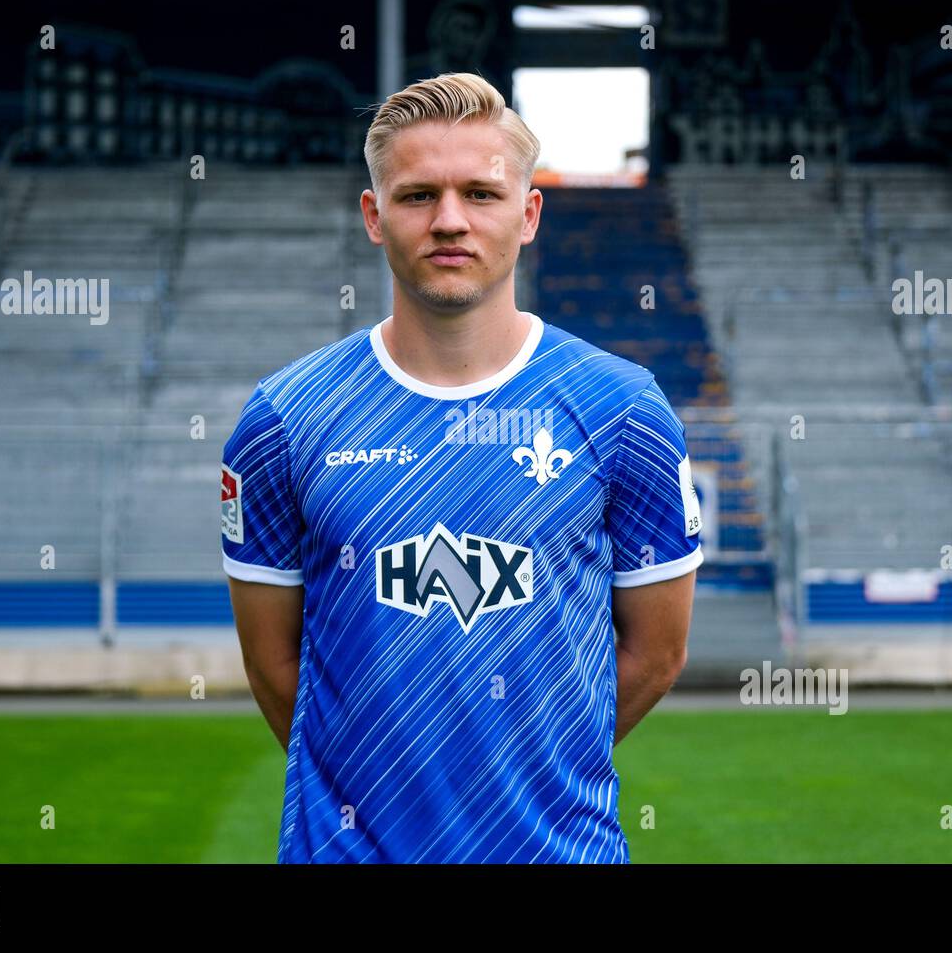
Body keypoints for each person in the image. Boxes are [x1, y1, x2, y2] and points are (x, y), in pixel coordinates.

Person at [222, 72, 703, 863]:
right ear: (375, 217)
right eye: (418, 197)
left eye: (481, 193)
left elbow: (657, 654)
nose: (450, 221)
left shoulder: (623, 410)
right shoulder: (285, 418)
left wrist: (528, 770)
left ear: (529, 212)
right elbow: (274, 667)